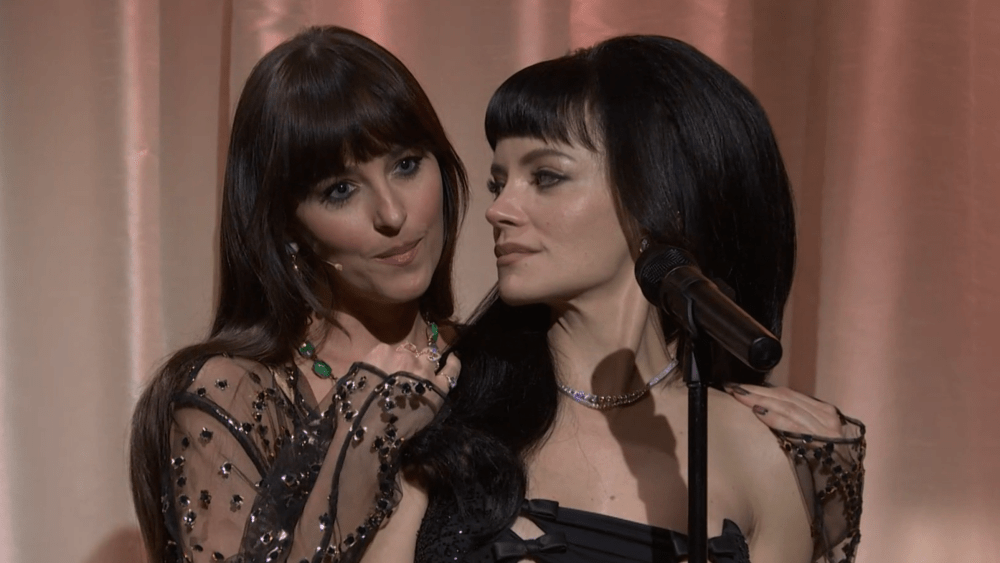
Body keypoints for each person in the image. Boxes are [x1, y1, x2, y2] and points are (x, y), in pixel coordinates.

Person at [402, 35, 865, 563]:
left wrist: (832, 504)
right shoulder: (441, 400)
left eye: (546, 177)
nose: (499, 210)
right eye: (498, 183)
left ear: (660, 203)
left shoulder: (760, 450)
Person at [129, 26, 466, 563]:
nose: (393, 214)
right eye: (340, 190)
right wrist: (364, 437)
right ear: (288, 226)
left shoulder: (502, 361)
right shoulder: (231, 395)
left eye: (406, 164)